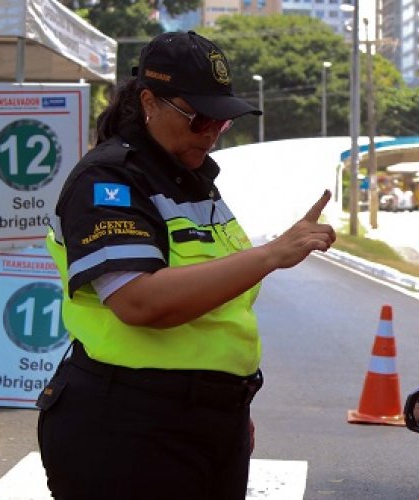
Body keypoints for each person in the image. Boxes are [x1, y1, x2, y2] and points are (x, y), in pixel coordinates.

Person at [36, 31, 336, 499]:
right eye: (200, 119)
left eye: (222, 121)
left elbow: (218, 312)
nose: (212, 132)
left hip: (207, 424)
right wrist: (271, 254)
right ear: (150, 101)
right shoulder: (109, 179)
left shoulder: (194, 181)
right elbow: (140, 302)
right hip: (129, 428)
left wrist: (226, 406)